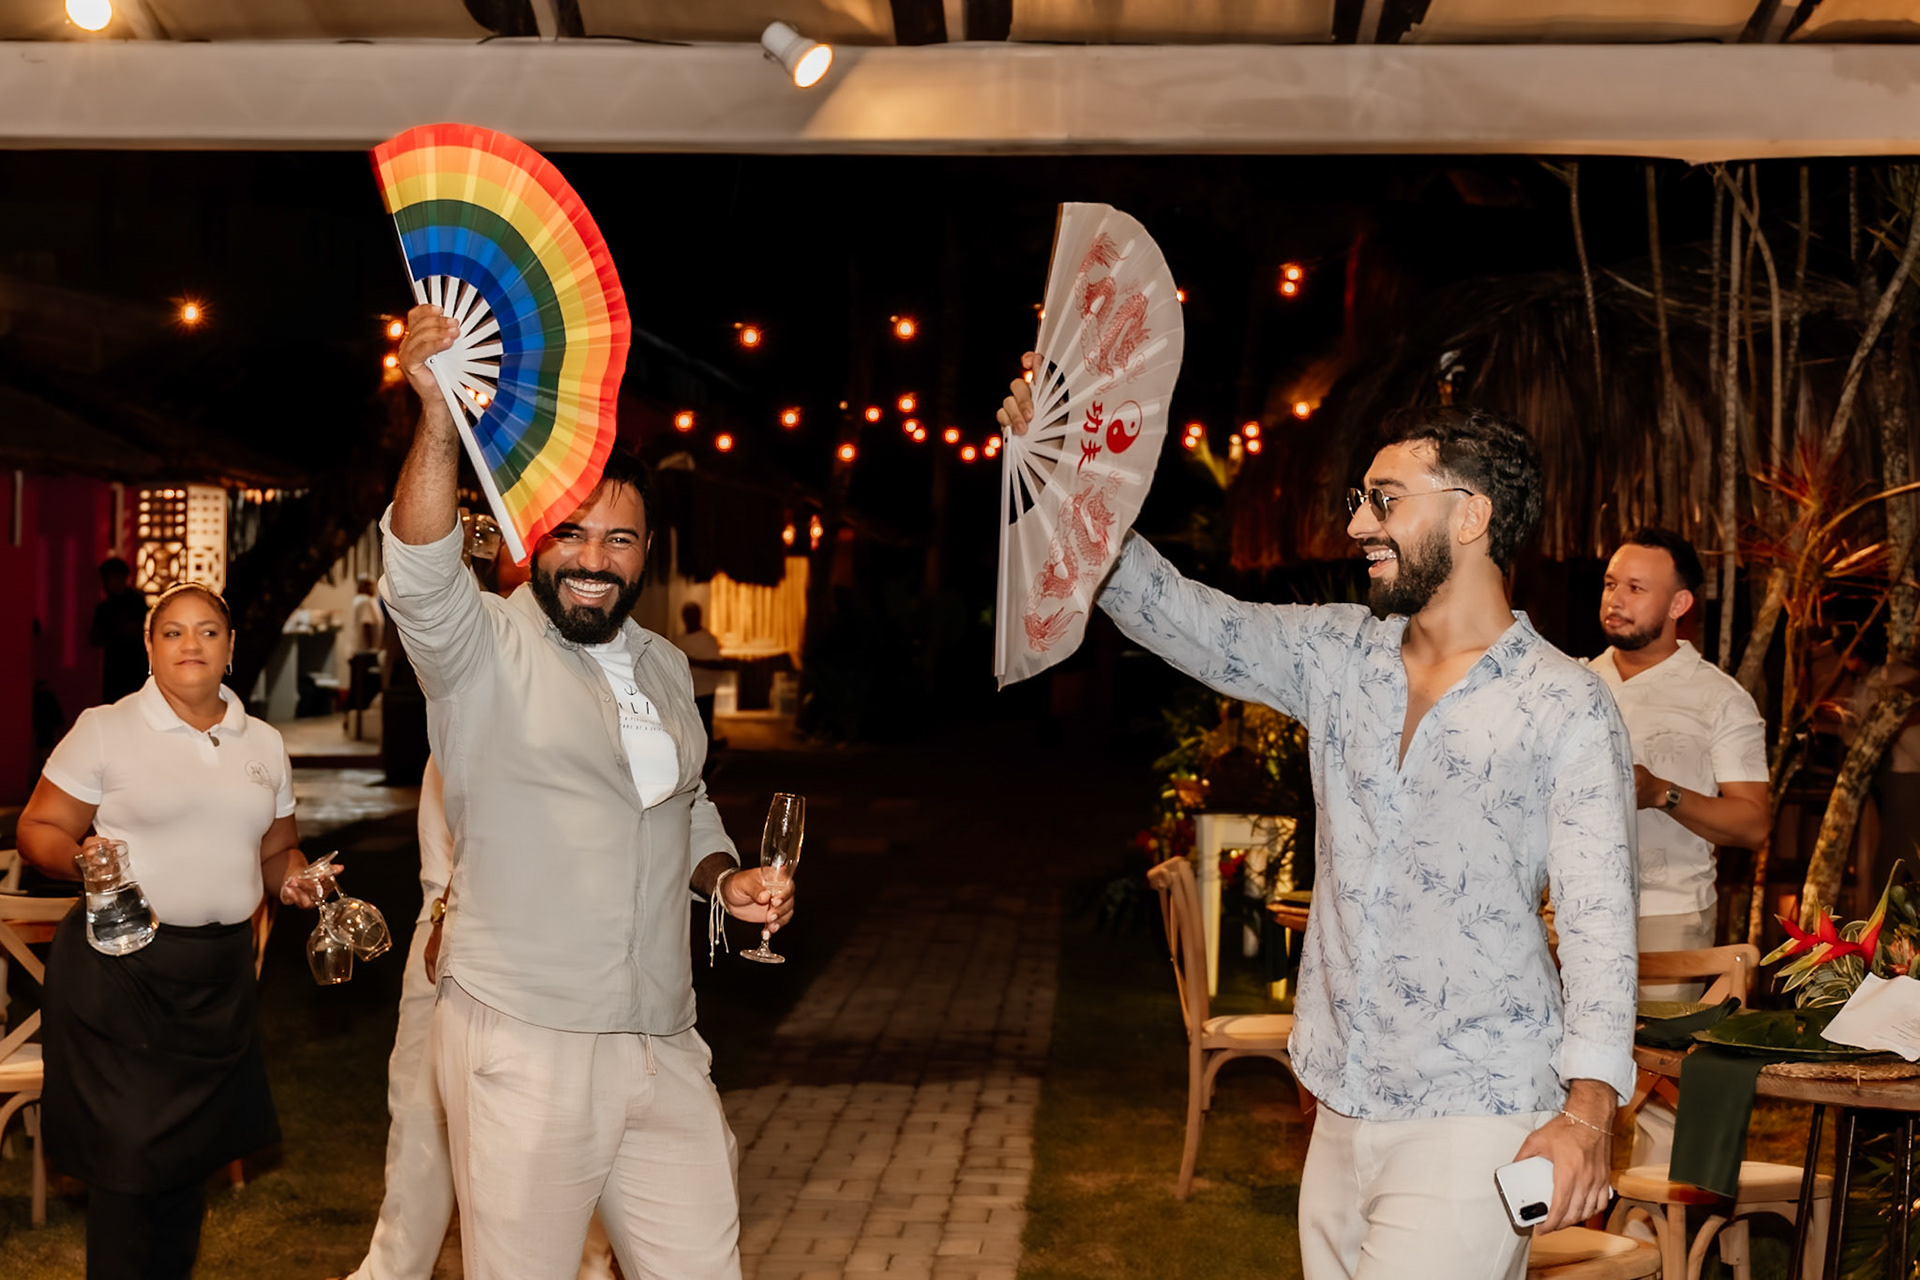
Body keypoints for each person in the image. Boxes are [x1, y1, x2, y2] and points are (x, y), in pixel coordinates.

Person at [1000, 379, 1637, 1277]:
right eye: (1358, 502)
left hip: (1478, 1105)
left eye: (1384, 501)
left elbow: (1603, 927)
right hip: (1336, 1096)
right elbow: (1174, 613)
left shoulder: (1566, 706)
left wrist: (1586, 1116)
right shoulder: (1336, 656)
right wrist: (1063, 473)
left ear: (1471, 516)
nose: (1356, 527)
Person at [379, 301, 794, 1279]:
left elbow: (682, 802)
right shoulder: (478, 645)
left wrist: (724, 878)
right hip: (525, 1038)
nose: (599, 558)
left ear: (647, 553)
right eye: (576, 532)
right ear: (536, 536)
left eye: (623, 538)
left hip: (662, 1032)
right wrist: (438, 423)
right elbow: (418, 570)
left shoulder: (660, 664)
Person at [17, 582, 330, 1280]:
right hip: (118, 971)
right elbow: (37, 828)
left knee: (186, 1172)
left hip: (217, 978)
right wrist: (80, 860)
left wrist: (296, 880)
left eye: (208, 631)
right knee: (128, 1170)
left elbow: (279, 850)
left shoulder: (265, 743)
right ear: (150, 647)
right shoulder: (107, 727)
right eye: (173, 632)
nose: (191, 644)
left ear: (230, 648)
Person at [1588, 529, 1769, 984]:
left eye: (1636, 588)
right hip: (1571, 909)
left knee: (1657, 1054)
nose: (1616, 599)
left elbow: (1753, 825)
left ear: (1678, 605)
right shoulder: (1574, 683)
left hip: (1668, 915)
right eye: (1611, 584)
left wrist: (1660, 793)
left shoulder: (1719, 698)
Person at [88, 555, 148, 705]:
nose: (108, 583)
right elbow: (95, 638)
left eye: (112, 577)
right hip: (114, 669)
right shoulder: (104, 607)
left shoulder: (136, 602)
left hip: (136, 665)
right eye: (106, 578)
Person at [674, 601, 725, 741]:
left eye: (693, 616)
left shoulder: (708, 639)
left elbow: (717, 665)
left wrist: (692, 661)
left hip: (704, 691)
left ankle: (707, 757)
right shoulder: (680, 640)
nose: (690, 619)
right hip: (686, 692)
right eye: (687, 616)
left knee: (703, 726)